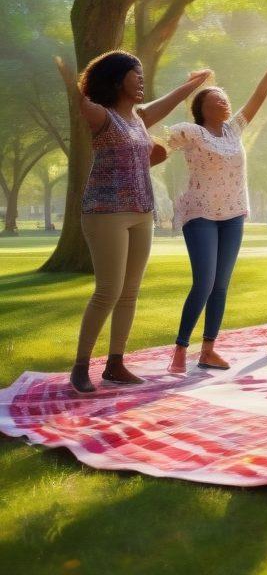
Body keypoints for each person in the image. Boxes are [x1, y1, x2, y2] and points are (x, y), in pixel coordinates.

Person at [54, 51, 209, 393]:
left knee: (130, 292)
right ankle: (81, 366)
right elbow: (80, 102)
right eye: (134, 73)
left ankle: (116, 363)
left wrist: (192, 84)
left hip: (142, 211)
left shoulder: (139, 117)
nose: (141, 79)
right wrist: (69, 79)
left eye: (141, 74)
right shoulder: (103, 117)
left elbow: (167, 103)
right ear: (116, 78)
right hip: (105, 211)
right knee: (108, 291)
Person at [164, 31, 267, 374]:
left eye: (225, 99)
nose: (224, 103)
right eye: (216, 100)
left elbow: (260, 94)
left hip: (233, 214)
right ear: (201, 109)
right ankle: (180, 349)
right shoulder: (192, 133)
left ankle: (208, 349)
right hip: (200, 213)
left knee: (221, 284)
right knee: (204, 281)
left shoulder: (234, 131)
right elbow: (160, 146)